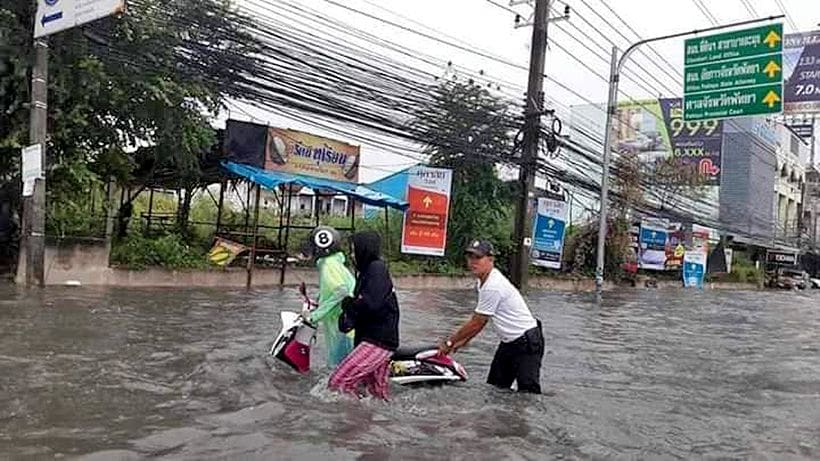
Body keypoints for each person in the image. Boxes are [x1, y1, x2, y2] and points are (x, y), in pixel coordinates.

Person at [438, 239, 544, 394]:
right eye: (470, 257)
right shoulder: (483, 281)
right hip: (509, 342)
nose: (473, 262)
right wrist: (464, 341)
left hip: (526, 342)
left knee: (528, 394)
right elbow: (482, 320)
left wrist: (449, 342)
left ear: (490, 259)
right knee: (495, 388)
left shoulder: (493, 286)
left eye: (478, 258)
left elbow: (477, 322)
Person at [329, 231, 399, 400]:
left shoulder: (376, 269)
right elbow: (363, 305)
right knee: (376, 394)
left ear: (364, 249)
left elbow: (370, 304)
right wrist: (348, 318)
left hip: (378, 342)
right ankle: (368, 423)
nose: (352, 255)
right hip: (375, 339)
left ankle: (345, 422)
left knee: (337, 383)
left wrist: (348, 304)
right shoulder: (366, 272)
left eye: (354, 250)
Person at [301, 226, 357, 368]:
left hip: (344, 328)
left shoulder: (329, 265)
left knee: (338, 372)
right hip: (347, 326)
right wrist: (318, 302)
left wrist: (315, 316)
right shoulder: (334, 263)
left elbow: (341, 291)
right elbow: (332, 291)